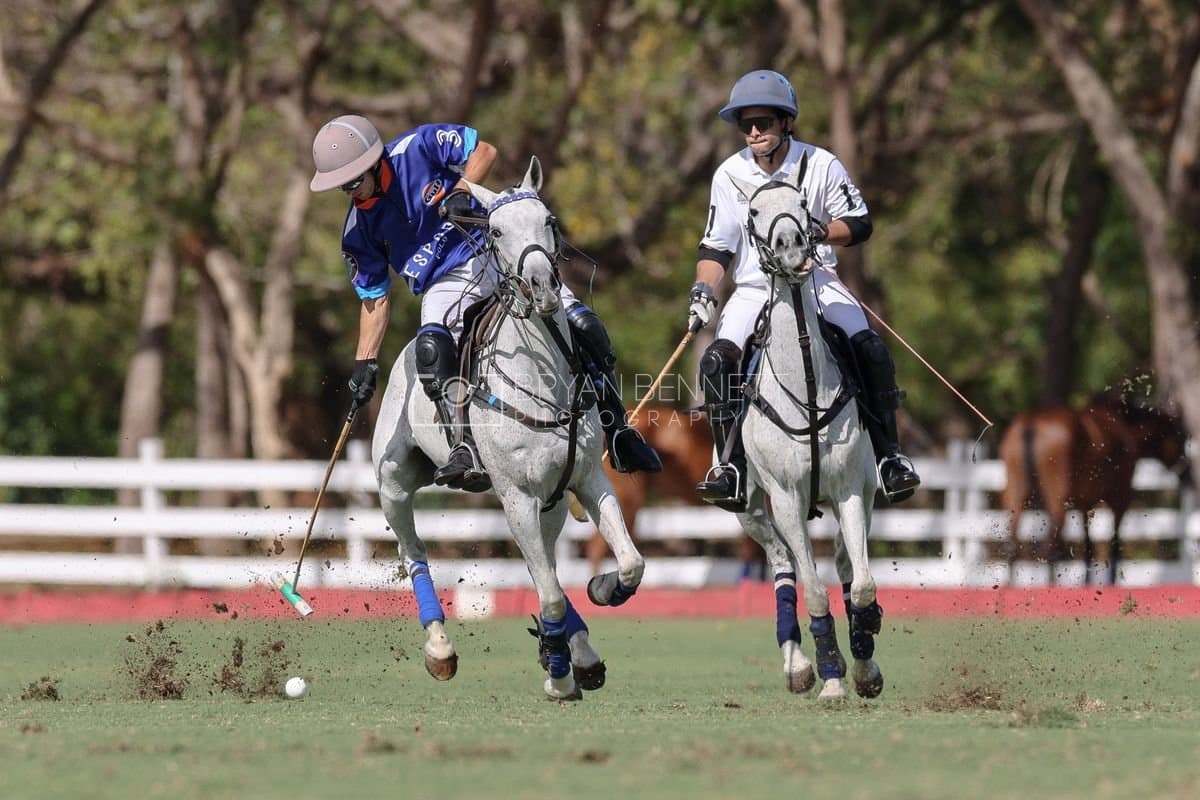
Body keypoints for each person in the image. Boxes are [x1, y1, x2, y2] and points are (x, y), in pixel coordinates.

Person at [310, 114, 660, 492]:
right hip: (442, 283)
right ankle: (464, 446)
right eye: (343, 188)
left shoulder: (418, 147)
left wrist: (463, 186)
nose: (351, 192)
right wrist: (366, 362)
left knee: (585, 326)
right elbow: (374, 300)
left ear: (375, 163)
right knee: (430, 350)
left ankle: (618, 429)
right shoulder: (357, 231)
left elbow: (483, 150)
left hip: (492, 250)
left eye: (354, 182)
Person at [686, 70, 920, 512]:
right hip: (756, 288)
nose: (754, 132)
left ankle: (890, 456)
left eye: (764, 123)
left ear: (786, 122)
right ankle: (730, 467)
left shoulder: (822, 164)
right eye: (746, 124)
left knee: (870, 347)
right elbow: (717, 246)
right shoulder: (729, 174)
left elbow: (859, 222)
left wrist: (820, 231)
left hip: (817, 280)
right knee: (716, 361)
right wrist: (703, 290)